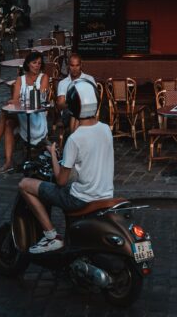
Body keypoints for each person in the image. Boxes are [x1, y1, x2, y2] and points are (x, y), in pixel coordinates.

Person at [18, 80, 114, 254]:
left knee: (24, 184)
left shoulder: (75, 139)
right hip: (106, 194)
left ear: (74, 107)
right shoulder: (106, 129)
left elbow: (61, 181)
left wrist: (53, 153)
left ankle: (51, 236)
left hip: (81, 199)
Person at [0, 51, 49, 172]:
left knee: (6, 117)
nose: (37, 65)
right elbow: (16, 100)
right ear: (27, 64)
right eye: (34, 63)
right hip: (22, 114)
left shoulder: (43, 77)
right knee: (7, 121)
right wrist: (15, 101)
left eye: (39, 63)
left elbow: (39, 98)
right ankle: (8, 161)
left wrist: (17, 101)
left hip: (36, 116)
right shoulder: (20, 79)